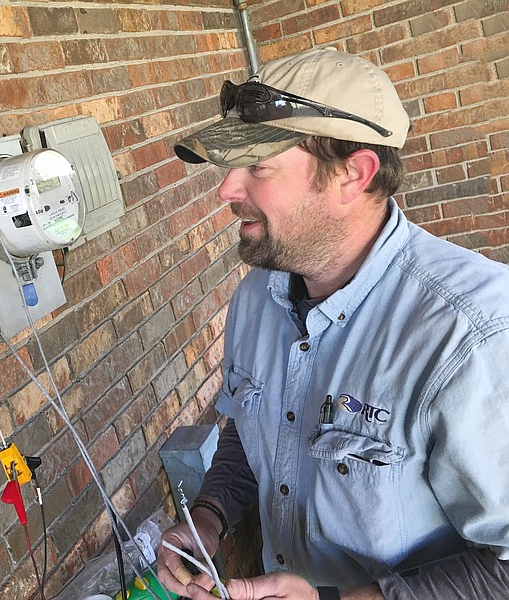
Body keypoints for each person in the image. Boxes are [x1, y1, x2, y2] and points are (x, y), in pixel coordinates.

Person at [156, 47, 509, 600]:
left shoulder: (472, 334)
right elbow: (254, 434)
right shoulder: (256, 298)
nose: (226, 189)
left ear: (352, 173)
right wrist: (208, 516)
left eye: (258, 166)